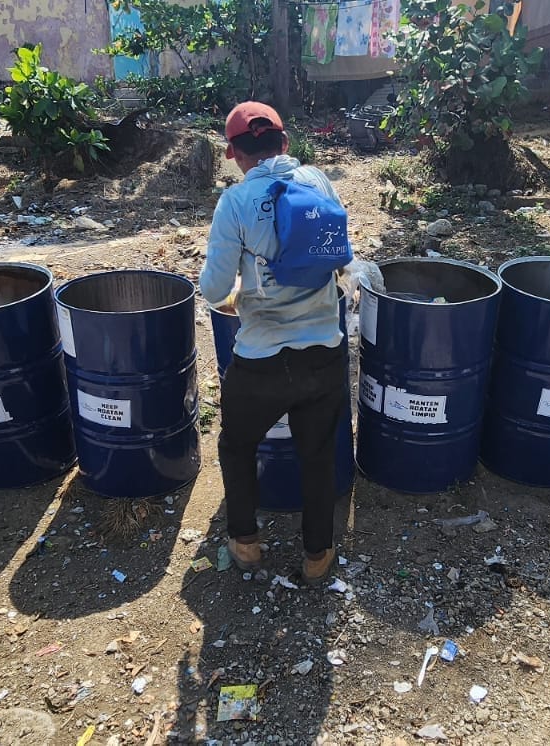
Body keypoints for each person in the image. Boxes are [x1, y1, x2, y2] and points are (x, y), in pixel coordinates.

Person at [199, 101, 348, 585]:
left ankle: (246, 544)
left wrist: (246, 283)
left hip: (261, 359)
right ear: (285, 144)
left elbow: (215, 291)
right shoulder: (319, 182)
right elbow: (338, 259)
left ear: (234, 154)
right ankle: (317, 556)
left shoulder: (234, 203)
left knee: (238, 445)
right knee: (318, 454)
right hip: (324, 352)